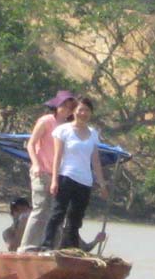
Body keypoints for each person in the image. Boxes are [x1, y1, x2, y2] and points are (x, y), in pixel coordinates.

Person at [41, 97, 109, 250]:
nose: (83, 113)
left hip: (85, 181)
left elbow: (96, 161)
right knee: (57, 213)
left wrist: (102, 184)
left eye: (86, 110)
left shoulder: (93, 133)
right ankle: (46, 245)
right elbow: (57, 156)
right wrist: (54, 180)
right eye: (80, 110)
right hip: (66, 176)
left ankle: (71, 249)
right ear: (74, 111)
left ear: (91, 113)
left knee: (75, 219)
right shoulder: (63, 130)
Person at [17, 90, 77, 253]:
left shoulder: (69, 128)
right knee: (40, 208)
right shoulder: (46, 121)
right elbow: (31, 144)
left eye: (71, 107)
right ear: (57, 106)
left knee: (55, 212)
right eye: (64, 105)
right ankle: (26, 247)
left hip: (57, 176)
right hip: (41, 172)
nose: (67, 109)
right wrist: (36, 164)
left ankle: (49, 247)